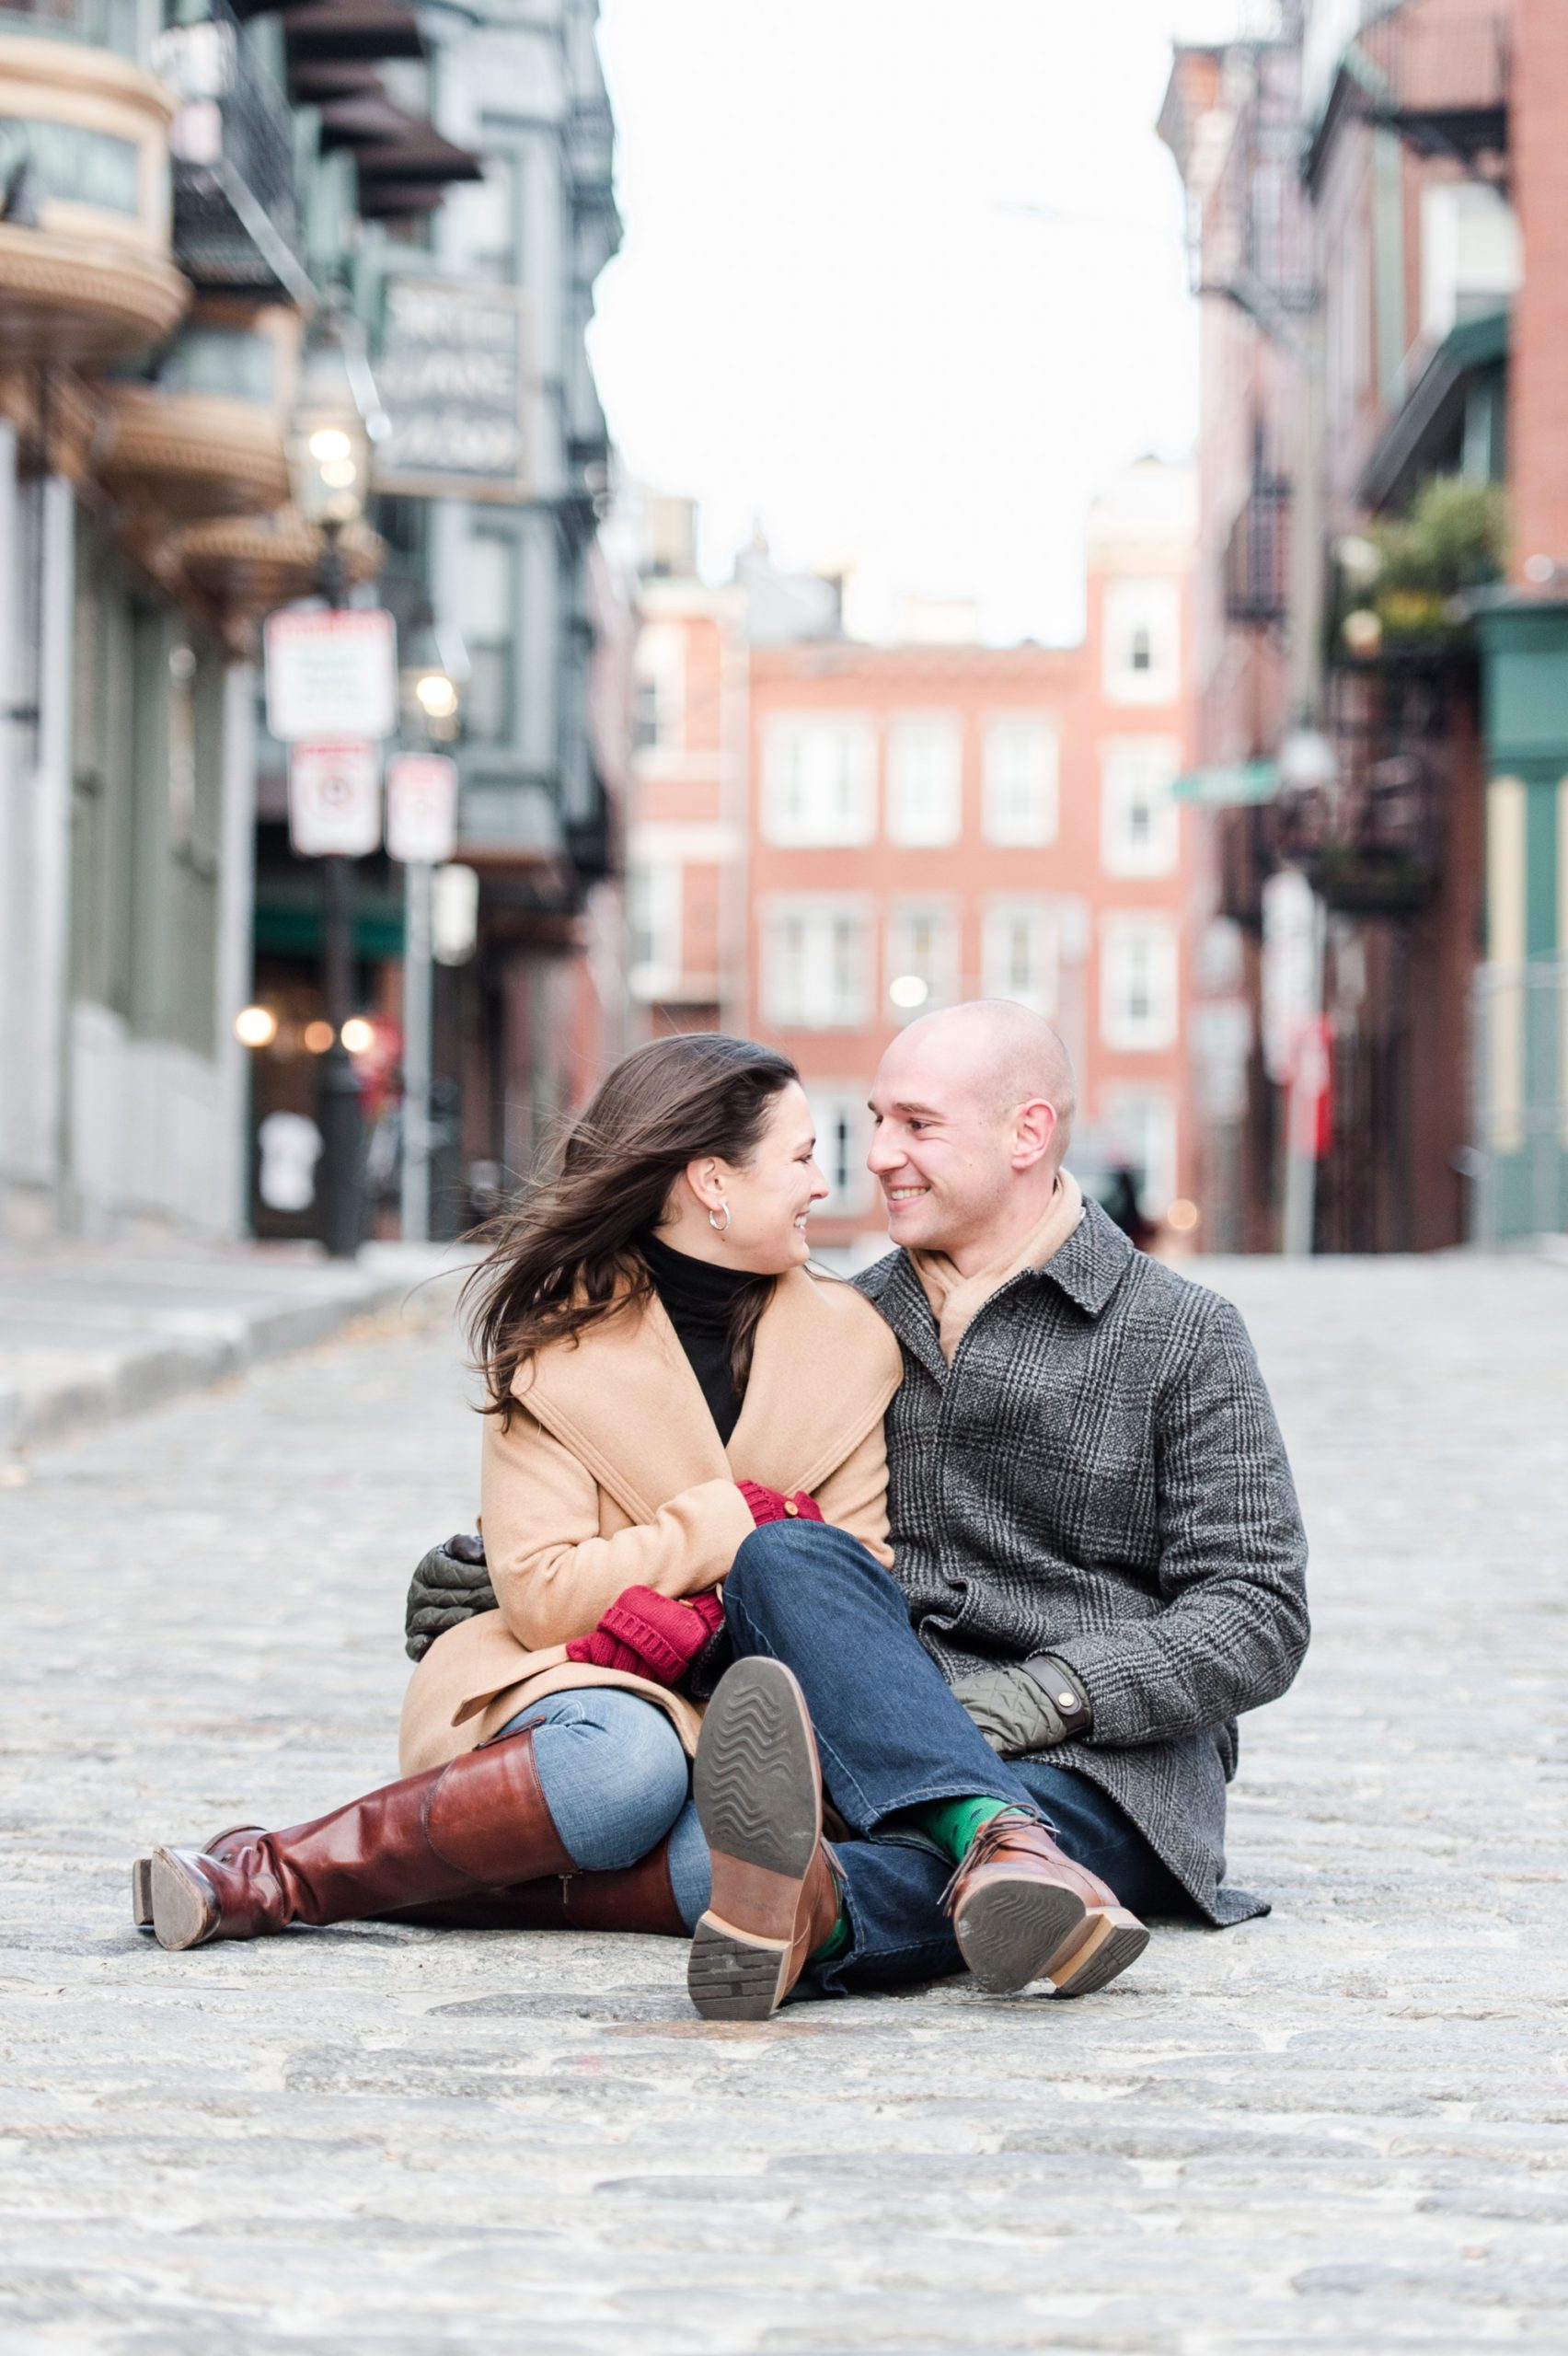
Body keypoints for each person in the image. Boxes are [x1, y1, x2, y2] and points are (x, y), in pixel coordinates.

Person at [410, 1000, 1311, 2020]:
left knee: (981, 1836)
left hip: (1098, 1759)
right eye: (876, 1120)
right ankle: (838, 1887)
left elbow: (1258, 1608)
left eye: (916, 1126)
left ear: (1027, 1134)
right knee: (790, 1555)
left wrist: (1054, 1691)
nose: (876, 1155)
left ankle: (822, 1907)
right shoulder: (844, 1316)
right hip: (864, 1730)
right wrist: (503, 1569)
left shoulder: (1181, 1332)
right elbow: (700, 1473)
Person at [133, 1033, 905, 1952]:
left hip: (744, 1703)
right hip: (559, 1678)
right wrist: (740, 1523)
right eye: (804, 1157)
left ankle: (391, 1881)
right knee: (627, 1767)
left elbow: (856, 1579)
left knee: (736, 1871)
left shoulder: (851, 1343)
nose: (824, 1183)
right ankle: (275, 1876)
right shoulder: (557, 1339)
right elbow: (545, 1596)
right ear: (712, 1182)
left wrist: (708, 1568)